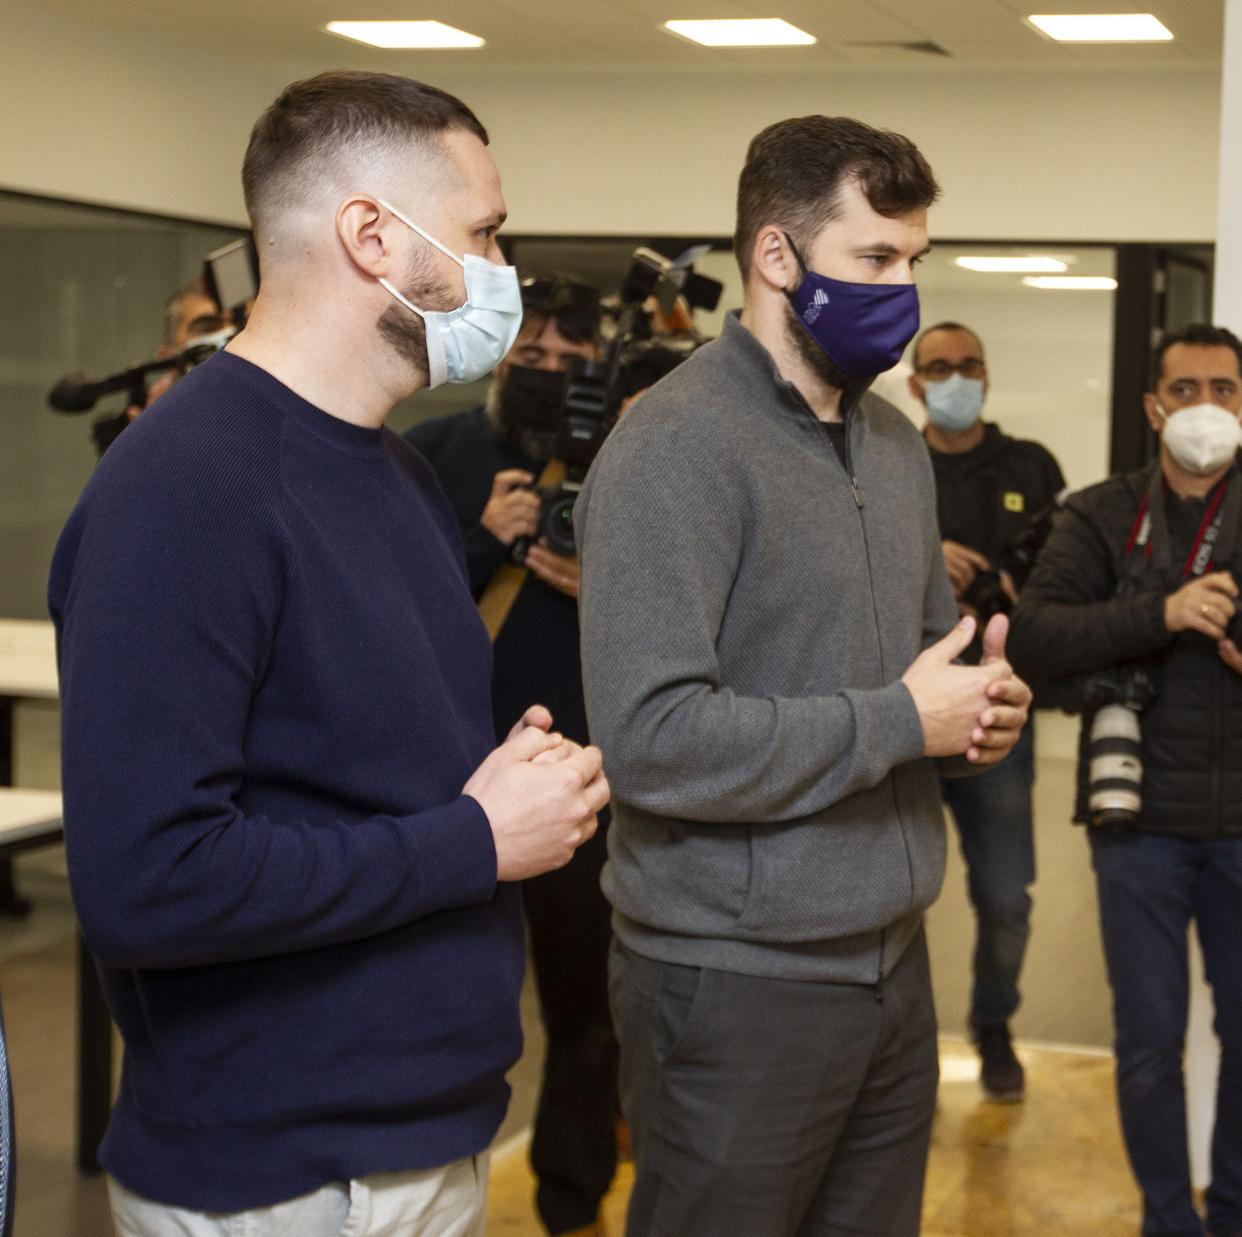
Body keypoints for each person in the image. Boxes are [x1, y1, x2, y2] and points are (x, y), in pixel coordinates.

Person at [49, 70, 609, 1236]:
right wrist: (474, 838)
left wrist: (510, 779)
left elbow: (353, 772)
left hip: (422, 1139)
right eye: (483, 232)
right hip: (286, 1179)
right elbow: (148, 879)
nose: (502, 268)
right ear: (371, 236)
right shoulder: (186, 489)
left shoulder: (394, 472)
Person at [575, 115, 1032, 1237]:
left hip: (889, 965)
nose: (902, 291)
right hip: (731, 980)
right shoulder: (672, 446)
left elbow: (924, 672)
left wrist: (978, 711)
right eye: (873, 260)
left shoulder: (890, 441)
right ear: (775, 257)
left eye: (912, 261)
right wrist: (895, 719)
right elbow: (651, 738)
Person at [1010, 324, 1242, 1237]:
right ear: (1154, 404)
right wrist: (1161, 610)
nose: (1204, 405)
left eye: (1222, 388)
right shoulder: (1101, 514)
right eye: (1184, 388)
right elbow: (1037, 639)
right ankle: (1167, 1219)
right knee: (1149, 1041)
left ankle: (1235, 1214)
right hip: (1137, 822)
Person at [403, 275, 620, 1237]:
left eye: (573, 364)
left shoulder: (632, 458)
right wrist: (476, 540)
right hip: (444, 787)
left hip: (587, 786)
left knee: (590, 1012)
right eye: (531, 358)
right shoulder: (431, 453)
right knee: (442, 996)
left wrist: (602, 584)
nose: (549, 376)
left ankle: (571, 1204)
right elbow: (380, 615)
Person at [908, 319, 1067, 1102]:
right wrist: (923, 555)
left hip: (996, 711)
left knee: (1006, 896)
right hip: (900, 713)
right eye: (939, 367)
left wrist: (1005, 581)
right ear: (914, 385)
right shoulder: (886, 459)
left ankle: (994, 1024)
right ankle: (902, 1051)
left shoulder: (1032, 467)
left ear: (988, 375)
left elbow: (1063, 577)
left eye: (970, 364)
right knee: (894, 888)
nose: (956, 377)